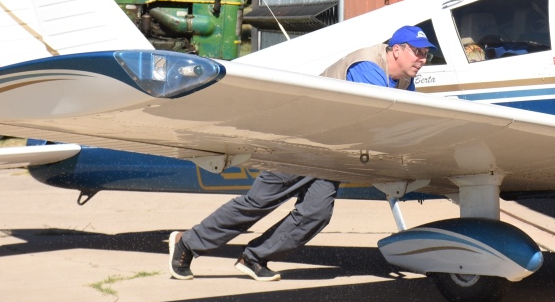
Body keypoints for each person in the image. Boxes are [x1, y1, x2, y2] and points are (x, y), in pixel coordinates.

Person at [168, 25, 436, 282]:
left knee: (315, 213)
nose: (422, 59)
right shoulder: (367, 66)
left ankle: (253, 258)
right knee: (260, 202)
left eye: (426, 54)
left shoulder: (403, 81)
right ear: (397, 50)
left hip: (331, 152)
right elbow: (379, 121)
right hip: (302, 143)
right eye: (418, 52)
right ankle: (187, 244)